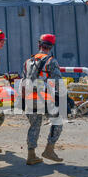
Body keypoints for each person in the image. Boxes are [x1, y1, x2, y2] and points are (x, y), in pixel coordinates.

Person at [22, 34, 64, 165]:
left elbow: (23, 80)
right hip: (44, 99)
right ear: (51, 46)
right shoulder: (51, 61)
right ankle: (49, 150)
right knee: (58, 121)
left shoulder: (28, 62)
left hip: (28, 99)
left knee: (34, 125)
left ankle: (31, 155)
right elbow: (57, 82)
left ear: (39, 44)